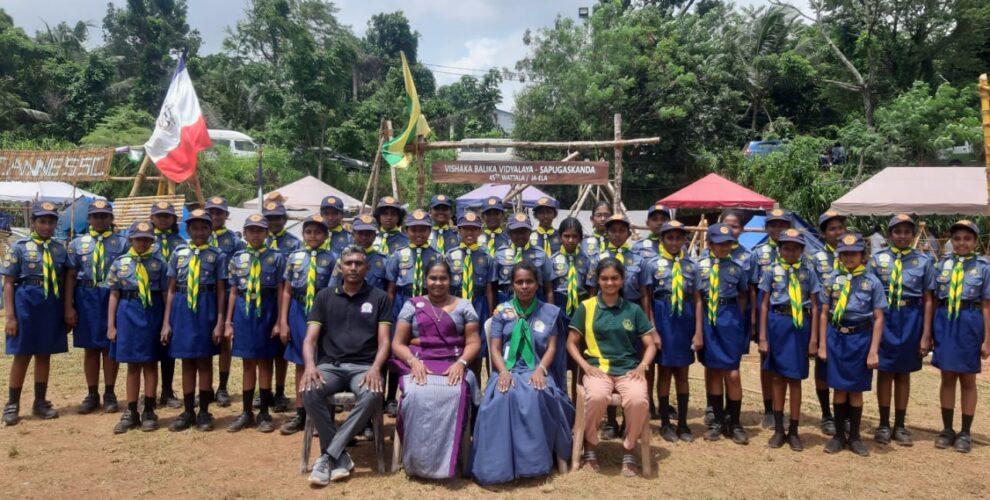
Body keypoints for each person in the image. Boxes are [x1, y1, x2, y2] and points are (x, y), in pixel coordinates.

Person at [470, 262, 574, 485]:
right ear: (512, 285)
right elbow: (495, 349)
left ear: (537, 284)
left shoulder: (550, 312)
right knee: (501, 397)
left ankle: (533, 464)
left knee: (537, 394)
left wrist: (541, 370)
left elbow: (552, 348)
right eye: (519, 282)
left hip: (537, 368)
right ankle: (498, 466)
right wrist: (503, 372)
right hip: (507, 368)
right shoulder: (501, 311)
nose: (524, 286)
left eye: (529, 282)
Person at [302, 246, 391, 487]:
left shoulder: (379, 297)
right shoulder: (324, 296)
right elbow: (310, 339)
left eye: (358, 263)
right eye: (348, 263)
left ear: (367, 268)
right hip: (330, 366)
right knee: (309, 390)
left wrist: (375, 369)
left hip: (363, 368)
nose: (353, 268)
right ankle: (338, 454)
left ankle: (328, 455)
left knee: (372, 393)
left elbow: (384, 342)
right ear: (340, 267)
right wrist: (310, 366)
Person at [391, 261, 481, 479]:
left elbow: (473, 342)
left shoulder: (464, 306)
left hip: (453, 361)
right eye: (433, 278)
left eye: (443, 278)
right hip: (419, 361)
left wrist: (461, 363)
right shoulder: (412, 306)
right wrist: (413, 361)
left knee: (455, 392)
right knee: (415, 394)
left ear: (451, 280)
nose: (438, 283)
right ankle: (416, 458)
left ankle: (448, 458)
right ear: (425, 280)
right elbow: (398, 343)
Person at [568, 258, 657, 477]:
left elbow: (651, 344)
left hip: (627, 371)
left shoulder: (633, 309)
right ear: (598, 280)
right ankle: (589, 448)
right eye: (605, 278)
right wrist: (585, 366)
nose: (609, 283)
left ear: (622, 280)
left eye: (614, 278)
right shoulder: (586, 307)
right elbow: (571, 342)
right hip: (598, 369)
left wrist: (642, 366)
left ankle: (628, 449)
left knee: (638, 400)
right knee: (596, 397)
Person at [866, 214, 934, 447]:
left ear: (913, 235)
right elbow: (869, 296)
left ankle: (901, 425)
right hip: (885, 318)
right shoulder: (877, 260)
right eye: (897, 231)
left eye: (907, 232)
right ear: (890, 234)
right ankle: (884, 424)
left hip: (910, 318)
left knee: (903, 374)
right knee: (884, 372)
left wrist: (926, 334)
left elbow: (927, 299)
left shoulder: (924, 262)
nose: (902, 236)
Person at [818, 233, 886, 457]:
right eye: (844, 254)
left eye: (853, 253)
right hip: (837, 337)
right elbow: (824, 314)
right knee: (838, 389)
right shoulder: (831, 280)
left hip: (861, 339)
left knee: (856, 390)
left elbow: (878, 318)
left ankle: (855, 437)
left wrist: (873, 350)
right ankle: (838, 436)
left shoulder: (872, 282)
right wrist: (822, 345)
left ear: (863, 256)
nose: (849, 258)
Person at [1, 202, 69, 425]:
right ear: (33, 223)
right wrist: (10, 316)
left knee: (44, 354)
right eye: (42, 221)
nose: (47, 226)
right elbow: (9, 283)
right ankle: (12, 404)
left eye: (51, 222)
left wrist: (67, 308)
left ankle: (40, 401)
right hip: (26, 305)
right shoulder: (19, 248)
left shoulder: (59, 249)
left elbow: (67, 277)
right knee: (22, 354)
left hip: (50, 306)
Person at [160, 209, 227, 432]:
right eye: (194, 228)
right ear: (187, 229)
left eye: (204, 228)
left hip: (206, 307)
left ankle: (205, 411)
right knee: (187, 361)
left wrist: (219, 321)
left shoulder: (217, 255)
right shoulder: (178, 253)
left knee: (204, 361)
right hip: (182, 308)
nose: (199, 232)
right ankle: (188, 411)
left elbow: (220, 292)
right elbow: (170, 289)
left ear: (210, 230)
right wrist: (167, 322)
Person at [929, 220, 990, 453]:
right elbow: (934, 300)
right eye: (957, 238)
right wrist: (932, 332)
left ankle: (965, 431)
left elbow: (986, 305)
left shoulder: (984, 268)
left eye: (967, 238)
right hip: (945, 321)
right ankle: (947, 429)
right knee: (947, 376)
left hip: (970, 321)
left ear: (975, 241)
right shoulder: (941, 266)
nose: (962, 242)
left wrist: (987, 339)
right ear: (951, 241)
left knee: (967, 379)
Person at [759, 228, 821, 451]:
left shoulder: (809, 272)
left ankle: (794, 431)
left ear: (802, 250)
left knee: (795, 379)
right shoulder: (771, 271)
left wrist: (814, 338)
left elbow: (814, 305)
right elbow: (764, 304)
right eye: (786, 247)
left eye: (795, 248)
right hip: (778, 323)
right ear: (780, 249)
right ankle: (778, 429)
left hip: (799, 327)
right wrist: (763, 337)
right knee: (776, 378)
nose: (790, 252)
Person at [64, 200, 128, 415]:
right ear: (89, 219)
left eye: (104, 216)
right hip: (86, 297)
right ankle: (92, 393)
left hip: (112, 296)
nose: (100, 220)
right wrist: (69, 306)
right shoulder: (77, 244)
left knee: (110, 346)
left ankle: (110, 393)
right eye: (96, 216)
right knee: (90, 348)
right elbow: (71, 276)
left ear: (111, 218)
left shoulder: (122, 243)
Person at [642, 220, 702, 443]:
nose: (675, 242)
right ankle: (665, 422)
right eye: (670, 238)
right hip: (662, 317)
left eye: (679, 238)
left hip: (683, 320)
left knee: (683, 373)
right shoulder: (652, 265)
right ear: (662, 240)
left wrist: (698, 332)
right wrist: (652, 330)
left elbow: (697, 300)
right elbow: (646, 297)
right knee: (665, 372)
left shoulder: (691, 267)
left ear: (684, 240)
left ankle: (684, 423)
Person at [226, 214, 285, 433]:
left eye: (260, 230)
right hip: (244, 311)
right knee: (248, 362)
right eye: (251, 230)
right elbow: (233, 292)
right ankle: (246, 411)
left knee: (265, 361)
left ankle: (264, 413)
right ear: (245, 232)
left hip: (268, 310)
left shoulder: (276, 258)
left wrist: (280, 320)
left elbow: (281, 290)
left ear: (267, 233)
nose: (255, 235)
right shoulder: (237, 258)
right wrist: (228, 322)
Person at [107, 221, 168, 433]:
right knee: (132, 365)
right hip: (128, 312)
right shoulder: (120, 263)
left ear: (152, 241)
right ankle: (131, 410)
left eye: (147, 239)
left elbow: (165, 294)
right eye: (138, 238)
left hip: (152, 313)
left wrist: (166, 323)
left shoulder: (159, 264)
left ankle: (149, 409)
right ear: (130, 239)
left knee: (151, 363)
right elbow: (114, 294)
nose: (142, 242)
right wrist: (111, 325)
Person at [278, 214, 336, 435]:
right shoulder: (294, 257)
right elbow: (287, 291)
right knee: (301, 362)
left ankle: (320, 414)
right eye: (309, 232)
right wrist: (283, 322)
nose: (313, 236)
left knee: (322, 363)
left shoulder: (332, 259)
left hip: (323, 313)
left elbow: (333, 293)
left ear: (325, 235)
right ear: (303, 234)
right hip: (298, 311)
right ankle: (300, 413)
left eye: (318, 232)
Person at [384, 209, 443, 414]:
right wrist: (389, 313)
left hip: (427, 303)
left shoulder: (436, 256)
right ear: (406, 230)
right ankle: (391, 397)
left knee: (422, 345)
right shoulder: (398, 255)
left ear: (429, 231)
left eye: (423, 230)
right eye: (414, 229)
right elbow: (391, 288)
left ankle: (421, 390)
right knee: (397, 350)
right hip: (402, 300)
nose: (418, 233)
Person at [698, 223, 750, 444]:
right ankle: (718, 421)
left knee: (733, 373)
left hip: (730, 320)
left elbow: (743, 297)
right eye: (719, 244)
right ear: (710, 244)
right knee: (715, 371)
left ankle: (735, 421)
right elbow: (697, 298)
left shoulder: (737, 269)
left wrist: (739, 323)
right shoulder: (699, 266)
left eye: (728, 243)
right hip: (709, 322)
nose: (724, 247)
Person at [748, 208, 792, 429]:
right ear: (766, 228)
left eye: (782, 225)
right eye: (773, 225)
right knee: (766, 360)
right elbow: (754, 289)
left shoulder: (798, 253)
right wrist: (755, 320)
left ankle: (784, 408)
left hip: (790, 317)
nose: (777, 229)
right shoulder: (758, 253)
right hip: (767, 312)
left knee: (787, 360)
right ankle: (768, 409)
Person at [809, 210, 846, 436]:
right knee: (822, 368)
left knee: (845, 366)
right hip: (826, 320)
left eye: (840, 228)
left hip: (851, 322)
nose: (838, 232)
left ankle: (845, 414)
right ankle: (826, 414)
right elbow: (812, 294)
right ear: (823, 234)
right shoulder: (815, 259)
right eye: (832, 229)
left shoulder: (856, 255)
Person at [263, 200, 299, 413]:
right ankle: (264, 391)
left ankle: (280, 391)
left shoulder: (294, 244)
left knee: (281, 349)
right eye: (269, 218)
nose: (273, 222)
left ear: (284, 220)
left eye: (277, 218)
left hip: (285, 301)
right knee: (264, 348)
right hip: (264, 302)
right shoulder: (257, 240)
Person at [446, 212, 496, 364]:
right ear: (459, 230)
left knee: (478, 346)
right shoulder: (450, 255)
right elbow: (446, 286)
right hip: (457, 300)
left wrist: (490, 311)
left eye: (474, 229)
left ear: (480, 231)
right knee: (455, 341)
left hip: (478, 303)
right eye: (465, 229)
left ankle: (477, 384)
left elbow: (489, 288)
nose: (469, 232)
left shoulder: (486, 257)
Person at [205, 196, 241, 408]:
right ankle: (206, 387)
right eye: (211, 212)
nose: (215, 216)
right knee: (206, 340)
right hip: (203, 296)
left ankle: (223, 387)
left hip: (227, 295)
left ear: (227, 215)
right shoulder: (198, 237)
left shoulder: (235, 241)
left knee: (225, 343)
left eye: (219, 212)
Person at [149, 201, 184, 409]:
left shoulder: (180, 243)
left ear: (173, 219)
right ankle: (150, 391)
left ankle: (168, 390)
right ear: (151, 217)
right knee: (150, 343)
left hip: (172, 299)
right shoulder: (141, 240)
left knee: (168, 344)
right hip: (149, 299)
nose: (163, 219)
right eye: (159, 215)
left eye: (167, 216)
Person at [494, 213, 554, 305]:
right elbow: (493, 287)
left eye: (524, 231)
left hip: (535, 300)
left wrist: (550, 312)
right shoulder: (499, 254)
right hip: (507, 300)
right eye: (516, 231)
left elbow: (548, 289)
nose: (520, 235)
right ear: (509, 233)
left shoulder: (540, 254)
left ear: (530, 232)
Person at [331, 214, 387, 291]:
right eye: (360, 233)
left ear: (374, 236)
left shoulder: (384, 260)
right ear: (353, 234)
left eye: (368, 234)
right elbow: (333, 286)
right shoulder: (343, 258)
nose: (364, 237)